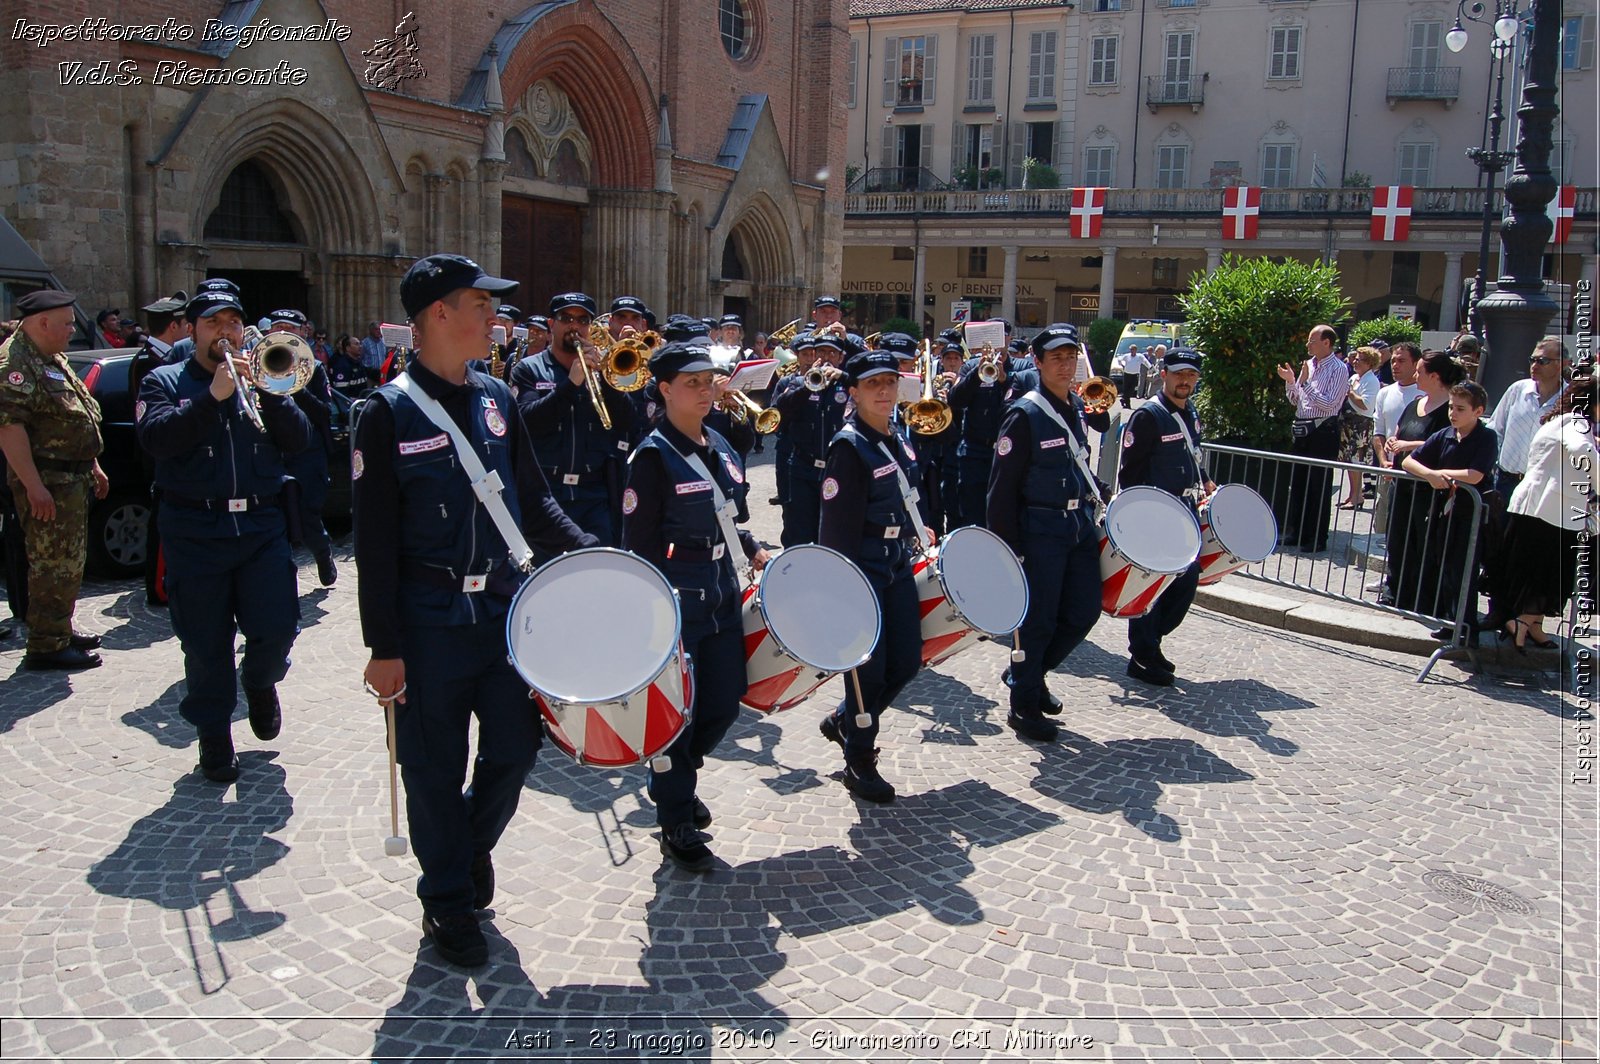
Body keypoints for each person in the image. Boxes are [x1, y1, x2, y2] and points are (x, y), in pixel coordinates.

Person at [355, 254, 596, 968]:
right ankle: (449, 901)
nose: (494, 318)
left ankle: (465, 849)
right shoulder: (385, 413)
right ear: (438, 316)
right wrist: (383, 646)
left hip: (500, 614)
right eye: (479, 305)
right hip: (426, 623)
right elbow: (373, 545)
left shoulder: (496, 396)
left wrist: (595, 557)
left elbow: (535, 498)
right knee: (431, 769)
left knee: (517, 747)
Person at [136, 284, 314, 781]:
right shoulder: (164, 381)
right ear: (192, 328)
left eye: (233, 322)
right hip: (196, 529)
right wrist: (212, 399)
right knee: (205, 642)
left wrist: (272, 394)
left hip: (259, 525)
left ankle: (259, 681)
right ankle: (213, 732)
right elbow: (156, 440)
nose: (226, 331)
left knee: (278, 626)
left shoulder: (262, 377)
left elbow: (300, 439)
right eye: (214, 322)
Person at [622, 340, 770, 872]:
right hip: (676, 596)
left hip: (722, 589)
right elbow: (637, 546)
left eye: (709, 381)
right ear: (664, 390)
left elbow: (734, 517)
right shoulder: (651, 457)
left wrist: (753, 548)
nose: (706, 390)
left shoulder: (722, 445)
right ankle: (676, 818)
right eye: (692, 383)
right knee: (678, 716)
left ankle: (673, 779)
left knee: (724, 702)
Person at [816, 349, 933, 803]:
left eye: (890, 383)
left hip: (896, 562)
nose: (884, 392)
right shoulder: (849, 447)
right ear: (853, 393)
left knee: (907, 661)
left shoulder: (896, 434)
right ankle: (859, 759)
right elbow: (835, 529)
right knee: (869, 672)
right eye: (873, 385)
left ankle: (846, 720)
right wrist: (839, 593)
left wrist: (916, 524)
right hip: (862, 570)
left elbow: (906, 492)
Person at [986, 325, 1111, 739]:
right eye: (1055, 357)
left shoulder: (1075, 406)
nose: (1065, 364)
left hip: (1076, 527)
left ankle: (1029, 674)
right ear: (1037, 363)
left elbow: (1076, 463)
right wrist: (1009, 550)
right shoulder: (1025, 413)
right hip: (1038, 531)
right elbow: (1001, 489)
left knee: (1083, 612)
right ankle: (1023, 704)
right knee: (1037, 622)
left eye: (1070, 355)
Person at [0, 289, 110, 669]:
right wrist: (33, 486)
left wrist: (92, 464)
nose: (72, 330)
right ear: (43, 323)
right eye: (66, 323)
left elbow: (75, 415)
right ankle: (45, 646)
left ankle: (59, 627)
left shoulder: (51, 358)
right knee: (50, 564)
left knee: (69, 561)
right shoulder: (15, 362)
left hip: (71, 480)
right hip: (48, 480)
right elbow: (9, 429)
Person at [1118, 347, 1214, 686]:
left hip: (1185, 513)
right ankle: (1142, 654)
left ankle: (1151, 644)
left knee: (1185, 582)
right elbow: (1128, 475)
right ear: (1164, 375)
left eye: (1191, 375)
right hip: (1156, 515)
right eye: (1179, 374)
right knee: (1154, 587)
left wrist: (1204, 481)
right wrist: (1141, 519)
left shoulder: (1191, 414)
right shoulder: (1148, 416)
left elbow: (1193, 456)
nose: (1185, 380)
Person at [510, 292, 634, 552]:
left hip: (594, 494)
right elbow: (526, 423)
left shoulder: (600, 371)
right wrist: (570, 384)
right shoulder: (529, 369)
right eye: (566, 318)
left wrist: (608, 379)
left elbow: (627, 422)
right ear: (551, 325)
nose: (574, 326)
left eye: (582, 320)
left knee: (599, 573)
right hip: (547, 493)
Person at [1483, 374, 1596, 649]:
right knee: (1551, 575)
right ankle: (1521, 623)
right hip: (1550, 509)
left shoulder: (1559, 420)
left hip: (1542, 506)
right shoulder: (1575, 422)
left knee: (1540, 572)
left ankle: (1533, 625)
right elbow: (1582, 450)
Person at [1401, 382, 1498, 627]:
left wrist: (1440, 472)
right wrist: (1430, 475)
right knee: (1442, 565)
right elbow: (1409, 462)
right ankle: (1447, 621)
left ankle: (1464, 626)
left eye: (1460, 409)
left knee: (1463, 570)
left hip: (1469, 515)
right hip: (1443, 512)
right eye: (1451, 408)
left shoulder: (1486, 437)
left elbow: (1475, 474)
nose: (1453, 414)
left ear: (1478, 411)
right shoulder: (1444, 434)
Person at [1380, 350, 1465, 611]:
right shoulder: (1414, 403)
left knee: (1424, 544)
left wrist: (1409, 444)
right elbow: (1399, 431)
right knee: (1398, 539)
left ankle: (1424, 599)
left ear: (1435, 376)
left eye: (1419, 371)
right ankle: (1396, 591)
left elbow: (1447, 440)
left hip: (1429, 489)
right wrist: (1393, 443)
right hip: (1402, 484)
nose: (1415, 375)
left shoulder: (1449, 410)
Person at [266, 311, 339, 587]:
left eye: (289, 330)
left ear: (303, 333)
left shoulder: (315, 369)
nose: (282, 335)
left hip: (308, 452)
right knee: (276, 517)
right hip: (275, 451)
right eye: (277, 329)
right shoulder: (261, 363)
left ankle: (322, 553)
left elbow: (324, 412)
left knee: (308, 514)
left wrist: (294, 387)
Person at [129, 290, 192, 606]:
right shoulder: (151, 362)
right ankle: (158, 586)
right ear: (175, 325)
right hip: (157, 453)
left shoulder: (154, 357)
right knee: (160, 524)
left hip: (162, 451)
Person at [945, 322, 1033, 529]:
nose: (998, 344)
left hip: (1011, 452)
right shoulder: (970, 366)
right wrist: (976, 375)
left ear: (1009, 339)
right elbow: (955, 401)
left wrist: (1004, 380)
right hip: (975, 451)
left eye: (1003, 338)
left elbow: (1028, 404)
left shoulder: (1023, 368)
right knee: (972, 513)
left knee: (1007, 513)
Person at [771, 330, 850, 546]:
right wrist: (808, 386)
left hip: (836, 470)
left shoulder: (848, 385)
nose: (826, 357)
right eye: (822, 351)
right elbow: (780, 411)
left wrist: (843, 376)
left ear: (841, 358)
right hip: (802, 469)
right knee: (797, 532)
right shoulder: (797, 383)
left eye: (832, 353)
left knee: (833, 531)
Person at [1276, 325, 1349, 553]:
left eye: (1312, 341)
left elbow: (1329, 404)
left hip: (1323, 431)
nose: (1308, 345)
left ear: (1326, 343)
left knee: (1318, 484)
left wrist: (1305, 383)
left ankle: (1316, 537)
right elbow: (1296, 400)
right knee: (1298, 483)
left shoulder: (1339, 369)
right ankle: (1296, 532)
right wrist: (1291, 381)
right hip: (1303, 429)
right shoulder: (1308, 365)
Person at [1486, 337, 1568, 499]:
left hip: (1544, 488)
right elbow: (1495, 429)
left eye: (1542, 361)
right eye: (1532, 360)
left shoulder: (1570, 400)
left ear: (1562, 364)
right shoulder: (1517, 390)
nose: (1534, 365)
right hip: (1505, 482)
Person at [1337, 346, 1383, 509]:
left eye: (1359, 359)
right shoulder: (1355, 377)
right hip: (1348, 423)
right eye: (1355, 358)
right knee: (1349, 462)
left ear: (1370, 363)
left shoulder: (1371, 381)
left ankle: (1357, 497)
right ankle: (1353, 495)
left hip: (1361, 424)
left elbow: (1366, 405)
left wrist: (1349, 393)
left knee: (1355, 461)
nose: (1355, 361)